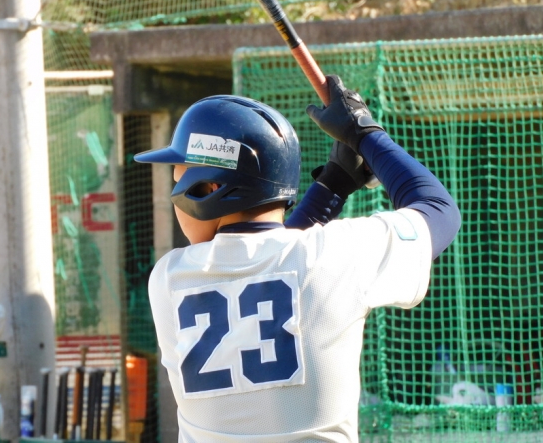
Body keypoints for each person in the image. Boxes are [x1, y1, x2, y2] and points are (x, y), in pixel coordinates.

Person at [135, 75, 461, 442]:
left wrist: (333, 185)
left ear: (209, 187)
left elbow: (273, 263)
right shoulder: (335, 255)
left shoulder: (168, 279)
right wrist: (364, 134)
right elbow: (439, 211)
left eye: (178, 176)